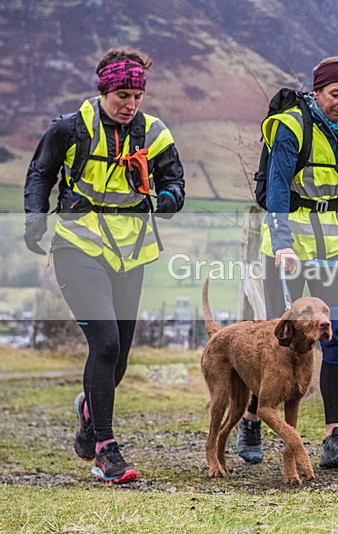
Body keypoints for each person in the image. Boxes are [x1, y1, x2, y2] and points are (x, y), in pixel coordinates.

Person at [24, 46, 185, 483]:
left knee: (119, 359)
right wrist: (35, 219)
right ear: (104, 90)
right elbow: (41, 172)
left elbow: (176, 187)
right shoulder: (70, 128)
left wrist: (163, 198)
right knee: (107, 343)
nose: (130, 105)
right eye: (122, 96)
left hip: (130, 253)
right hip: (77, 247)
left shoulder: (154, 133)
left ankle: (88, 413)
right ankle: (105, 450)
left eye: (137, 96)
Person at [237, 56, 338, 469]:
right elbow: (277, 190)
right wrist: (281, 244)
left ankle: (334, 436)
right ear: (317, 93)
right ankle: (251, 417)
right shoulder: (292, 127)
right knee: (279, 341)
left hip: (334, 250)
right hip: (290, 248)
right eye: (335, 94)